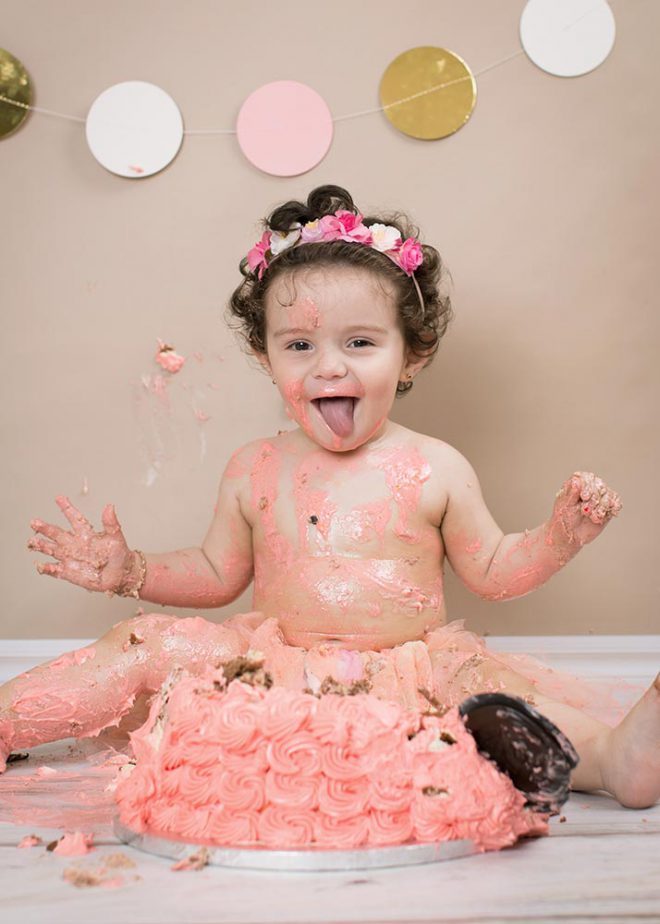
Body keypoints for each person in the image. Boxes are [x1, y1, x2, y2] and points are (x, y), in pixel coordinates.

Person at [1, 185, 657, 810]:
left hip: (409, 679)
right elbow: (216, 572)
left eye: (361, 343)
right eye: (299, 345)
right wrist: (133, 570)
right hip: (269, 674)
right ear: (266, 356)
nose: (329, 366)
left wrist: (557, 537)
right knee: (142, 640)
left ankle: (608, 760)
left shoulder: (435, 467)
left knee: (487, 692)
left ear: (413, 355)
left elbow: (493, 571)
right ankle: (7, 724)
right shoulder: (254, 466)